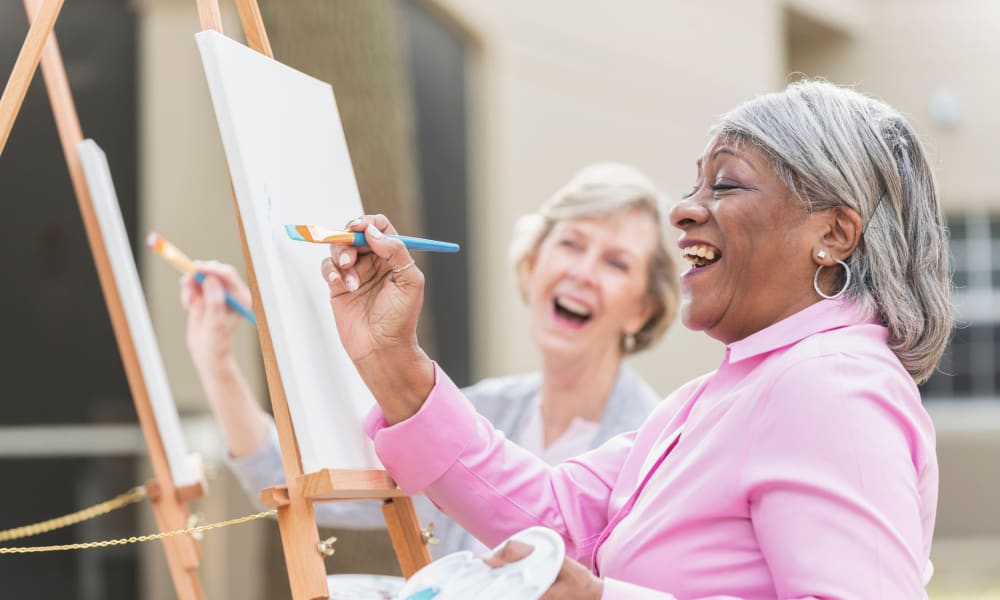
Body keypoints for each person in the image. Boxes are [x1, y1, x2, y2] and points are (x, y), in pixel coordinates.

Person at [321, 80, 952, 598]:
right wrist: (391, 359)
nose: (682, 210)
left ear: (835, 233)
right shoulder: (715, 397)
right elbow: (557, 517)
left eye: (727, 184)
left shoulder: (831, 385)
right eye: (695, 185)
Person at [180, 163, 680, 557]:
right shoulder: (475, 413)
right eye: (571, 244)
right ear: (532, 263)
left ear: (644, 308)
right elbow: (289, 478)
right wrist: (217, 363)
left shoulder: (655, 449)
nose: (582, 273)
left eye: (616, 262)